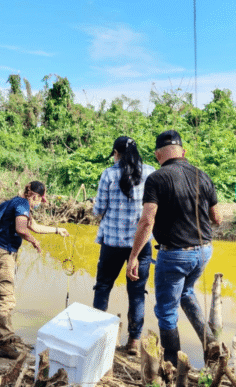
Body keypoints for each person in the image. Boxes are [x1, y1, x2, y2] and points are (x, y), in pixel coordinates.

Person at [127, 130, 221, 366]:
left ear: (158, 155)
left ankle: (172, 364)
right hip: (204, 251)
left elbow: (147, 220)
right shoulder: (203, 175)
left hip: (175, 255)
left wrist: (134, 256)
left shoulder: (157, 179)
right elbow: (217, 218)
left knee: (166, 312)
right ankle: (209, 341)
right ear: (183, 152)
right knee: (187, 291)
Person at [0, 181, 69, 359]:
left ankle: (1, 336)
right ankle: (4, 343)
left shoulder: (18, 203)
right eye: (40, 199)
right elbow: (21, 228)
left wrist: (57, 230)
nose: (40, 203)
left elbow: (35, 227)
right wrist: (34, 241)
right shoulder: (22, 204)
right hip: (2, 253)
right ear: (34, 196)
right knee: (6, 299)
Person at [92, 136, 156, 356]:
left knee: (103, 287)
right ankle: (134, 342)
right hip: (141, 245)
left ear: (116, 153)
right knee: (137, 294)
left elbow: (98, 209)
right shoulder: (150, 172)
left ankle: (98, 336)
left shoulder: (109, 174)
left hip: (111, 242)